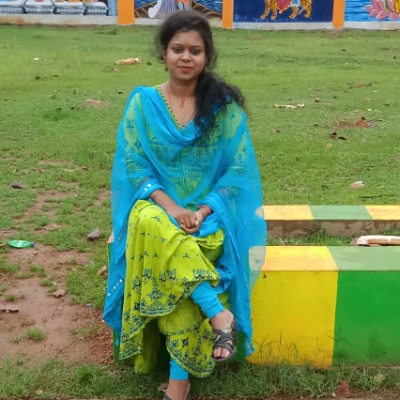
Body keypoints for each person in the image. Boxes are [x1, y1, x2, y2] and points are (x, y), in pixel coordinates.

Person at [103, 10, 267, 400]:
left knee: (180, 255)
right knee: (152, 225)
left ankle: (179, 382)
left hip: (208, 213)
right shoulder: (143, 103)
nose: (186, 57)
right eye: (178, 49)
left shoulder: (222, 108)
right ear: (164, 53)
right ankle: (217, 315)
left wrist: (204, 209)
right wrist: (173, 208)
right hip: (157, 206)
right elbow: (135, 166)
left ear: (207, 56)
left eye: (195, 50)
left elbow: (236, 170)